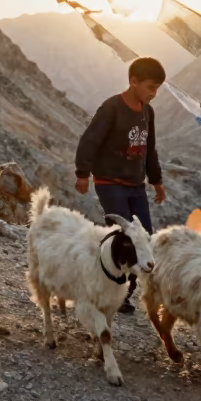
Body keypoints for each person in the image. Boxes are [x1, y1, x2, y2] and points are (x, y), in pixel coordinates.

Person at [74, 57, 166, 313]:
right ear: (133, 81)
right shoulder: (111, 108)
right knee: (124, 237)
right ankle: (113, 289)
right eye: (150, 87)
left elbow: (149, 149)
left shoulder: (148, 112)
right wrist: (82, 173)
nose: (154, 94)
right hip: (109, 182)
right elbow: (89, 140)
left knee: (144, 236)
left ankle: (127, 289)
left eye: (157, 88)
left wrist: (156, 180)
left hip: (136, 185)